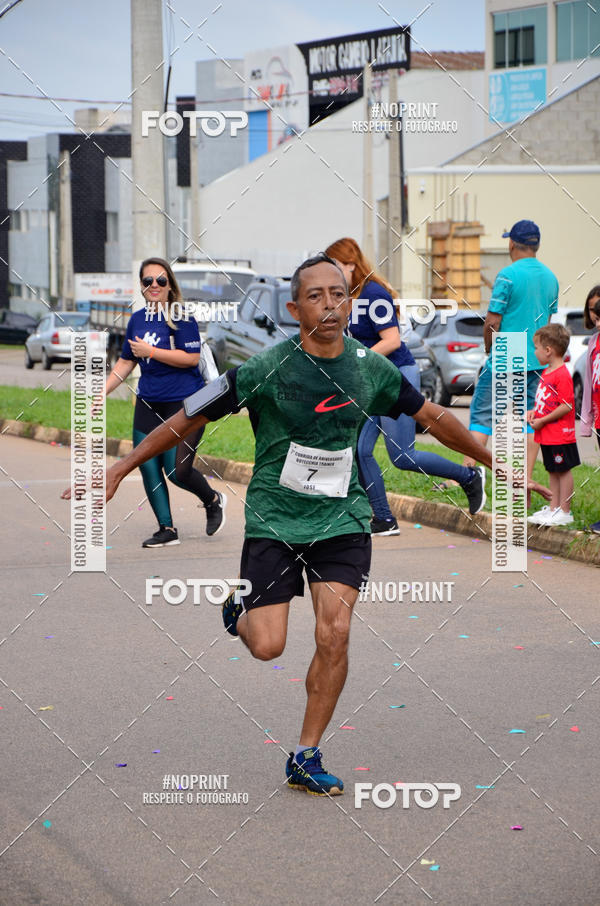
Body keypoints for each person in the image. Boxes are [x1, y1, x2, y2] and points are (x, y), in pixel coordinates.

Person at [102, 254, 494, 796]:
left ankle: (305, 755)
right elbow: (191, 413)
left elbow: (433, 418)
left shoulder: (369, 368)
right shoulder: (266, 369)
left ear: (349, 301)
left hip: (342, 518)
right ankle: (239, 611)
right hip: (276, 520)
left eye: (339, 294)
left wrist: (498, 464)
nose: (330, 304)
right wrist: (123, 465)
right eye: (316, 296)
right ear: (294, 307)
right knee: (267, 646)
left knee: (334, 633)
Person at [325, 237, 486, 534]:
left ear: (351, 264)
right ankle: (383, 518)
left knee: (402, 456)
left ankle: (469, 477)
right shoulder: (347, 297)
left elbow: (392, 340)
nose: (331, 274)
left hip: (397, 375)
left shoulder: (374, 294)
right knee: (360, 451)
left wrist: (357, 360)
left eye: (335, 266)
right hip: (371, 381)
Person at [83, 257, 225, 546]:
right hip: (149, 402)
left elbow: (191, 358)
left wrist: (152, 350)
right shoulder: (136, 319)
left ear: (170, 285)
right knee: (147, 464)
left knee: (176, 471)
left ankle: (212, 500)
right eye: (148, 281)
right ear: (142, 286)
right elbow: (125, 362)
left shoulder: (182, 316)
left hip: (184, 403)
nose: (155, 285)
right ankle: (167, 529)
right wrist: (102, 392)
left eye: (161, 280)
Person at [468, 220, 558, 498]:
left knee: (483, 414)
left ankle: (469, 475)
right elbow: (549, 322)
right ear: (537, 245)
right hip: (538, 354)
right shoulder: (551, 278)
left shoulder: (507, 275)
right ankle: (524, 483)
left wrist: (488, 348)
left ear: (511, 244)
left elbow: (493, 320)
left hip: (508, 349)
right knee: (530, 419)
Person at [527, 324, 580, 525]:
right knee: (553, 470)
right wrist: (534, 413)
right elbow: (546, 402)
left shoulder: (562, 375)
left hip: (560, 434)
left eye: (536, 347)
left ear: (548, 350)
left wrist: (543, 420)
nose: (535, 351)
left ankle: (564, 511)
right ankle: (554, 508)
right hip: (548, 434)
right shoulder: (547, 372)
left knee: (563, 470)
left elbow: (566, 405)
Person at [579, 288, 600, 533]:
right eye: (591, 309)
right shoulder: (593, 340)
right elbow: (588, 380)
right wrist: (588, 419)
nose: (594, 313)